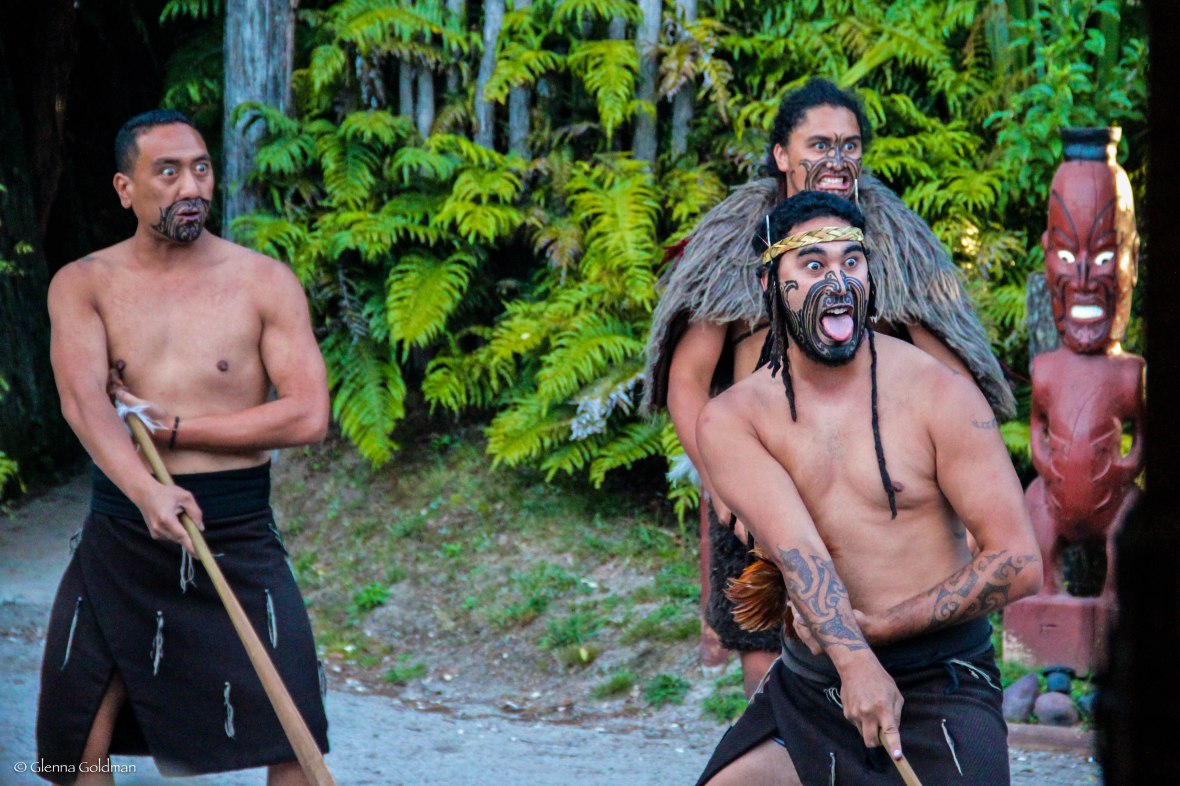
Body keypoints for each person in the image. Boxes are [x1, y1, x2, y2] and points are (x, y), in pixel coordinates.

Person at [641, 78, 1015, 697]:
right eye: (818, 144)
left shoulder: (889, 242)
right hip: (764, 482)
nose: (837, 161)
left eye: (850, 145)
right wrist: (723, 488)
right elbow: (686, 379)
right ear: (781, 153)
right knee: (772, 674)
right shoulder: (738, 244)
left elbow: (952, 371)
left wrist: (966, 486)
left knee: (878, 662)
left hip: (870, 493)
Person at [691, 190, 1041, 786]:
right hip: (815, 679)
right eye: (814, 264)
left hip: (941, 674)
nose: (839, 281)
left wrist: (883, 629)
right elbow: (799, 552)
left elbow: (1019, 561)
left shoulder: (942, 394)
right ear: (771, 285)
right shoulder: (733, 419)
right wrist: (855, 660)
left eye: (852, 262)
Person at [35, 109, 330, 785]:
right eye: (167, 172)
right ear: (124, 189)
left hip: (238, 531)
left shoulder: (263, 281)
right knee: (73, 735)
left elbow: (308, 415)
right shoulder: (84, 284)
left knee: (296, 733)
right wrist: (148, 491)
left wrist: (174, 432)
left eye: (200, 167)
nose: (190, 186)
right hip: (122, 531)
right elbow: (84, 403)